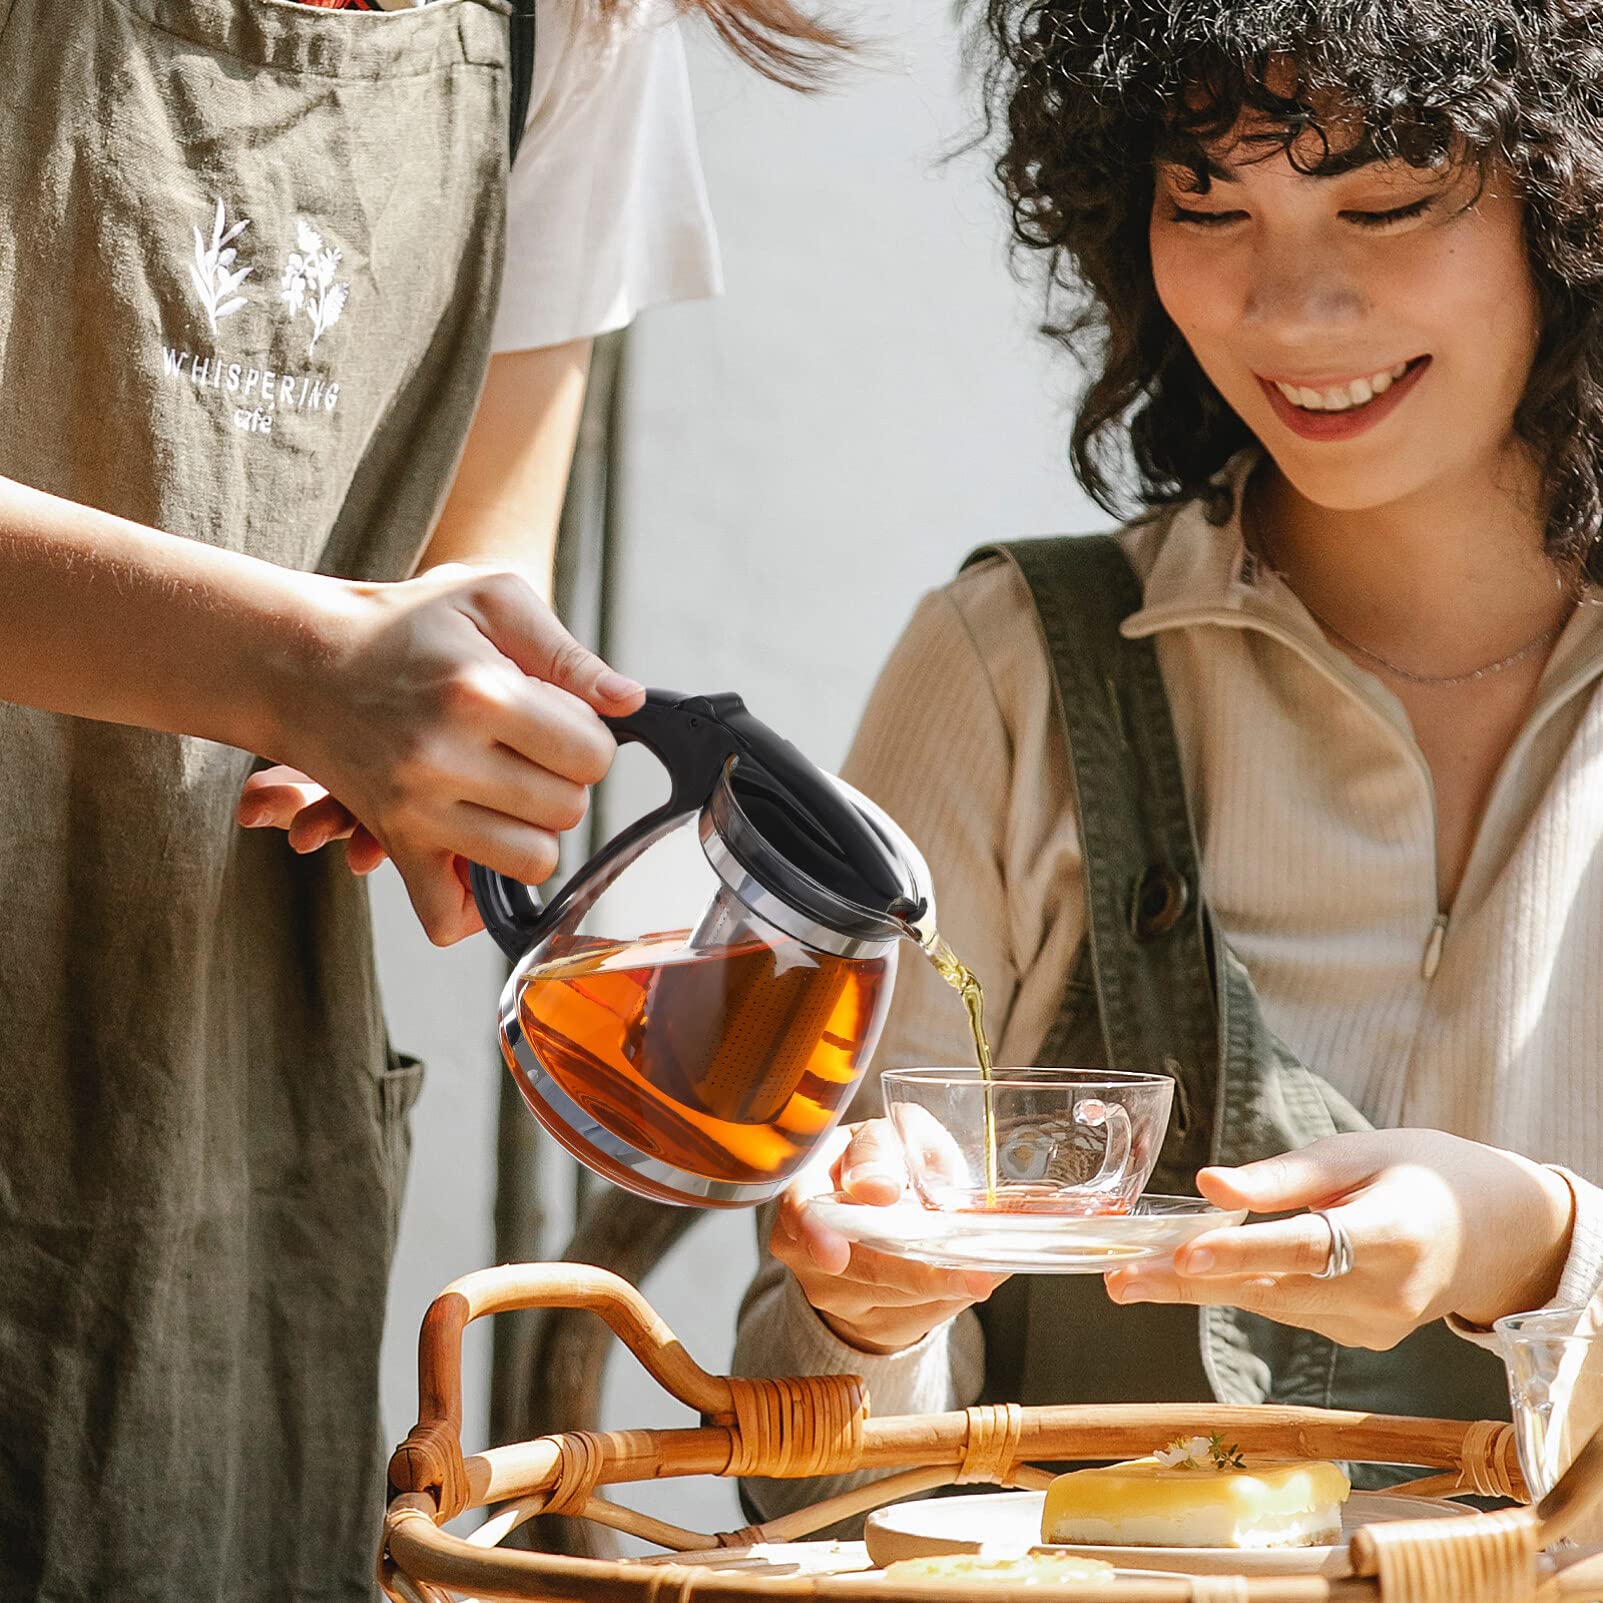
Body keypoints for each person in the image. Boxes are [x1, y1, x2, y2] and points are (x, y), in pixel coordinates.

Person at [0, 1, 845, 1598]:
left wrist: (454, 762)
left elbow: (478, 575)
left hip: (220, 1138)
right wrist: (295, 663)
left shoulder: (575, 29)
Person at [734, 0, 1603, 1524]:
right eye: (1208, 202)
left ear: (1573, 198)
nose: (1289, 308)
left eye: (1386, 203)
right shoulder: (1006, 670)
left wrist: (1533, 1253)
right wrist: (871, 1311)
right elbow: (792, 1483)